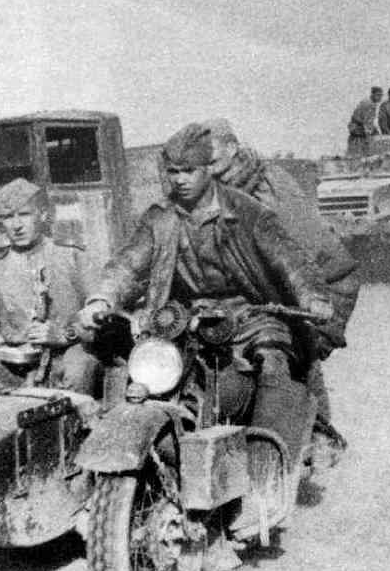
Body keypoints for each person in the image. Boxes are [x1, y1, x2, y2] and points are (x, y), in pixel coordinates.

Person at [78, 123, 337, 472]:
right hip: (185, 317)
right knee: (143, 366)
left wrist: (311, 297)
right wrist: (101, 299)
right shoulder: (160, 218)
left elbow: (289, 261)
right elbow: (127, 264)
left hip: (251, 314)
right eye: (173, 172)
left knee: (272, 357)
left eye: (189, 171)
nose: (180, 180)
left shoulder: (247, 212)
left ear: (208, 168)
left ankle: (269, 466)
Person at [202, 118, 360, 429]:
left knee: (291, 357)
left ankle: (314, 438)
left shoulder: (267, 189)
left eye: (212, 160)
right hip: (268, 294)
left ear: (233, 150)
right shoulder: (218, 189)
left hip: (318, 288)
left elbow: (300, 258)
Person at [0, 178, 101, 393]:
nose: (17, 225)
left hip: (66, 355)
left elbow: (100, 312)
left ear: (43, 215)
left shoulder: (72, 257)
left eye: (24, 214)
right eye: (8, 217)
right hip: (16, 364)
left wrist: (66, 334)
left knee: (81, 366)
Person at [347, 87, 383, 157]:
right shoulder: (370, 104)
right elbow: (367, 123)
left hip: (357, 128)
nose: (380, 98)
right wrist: (370, 134)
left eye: (381, 95)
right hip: (357, 129)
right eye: (378, 95)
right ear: (373, 94)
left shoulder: (368, 102)